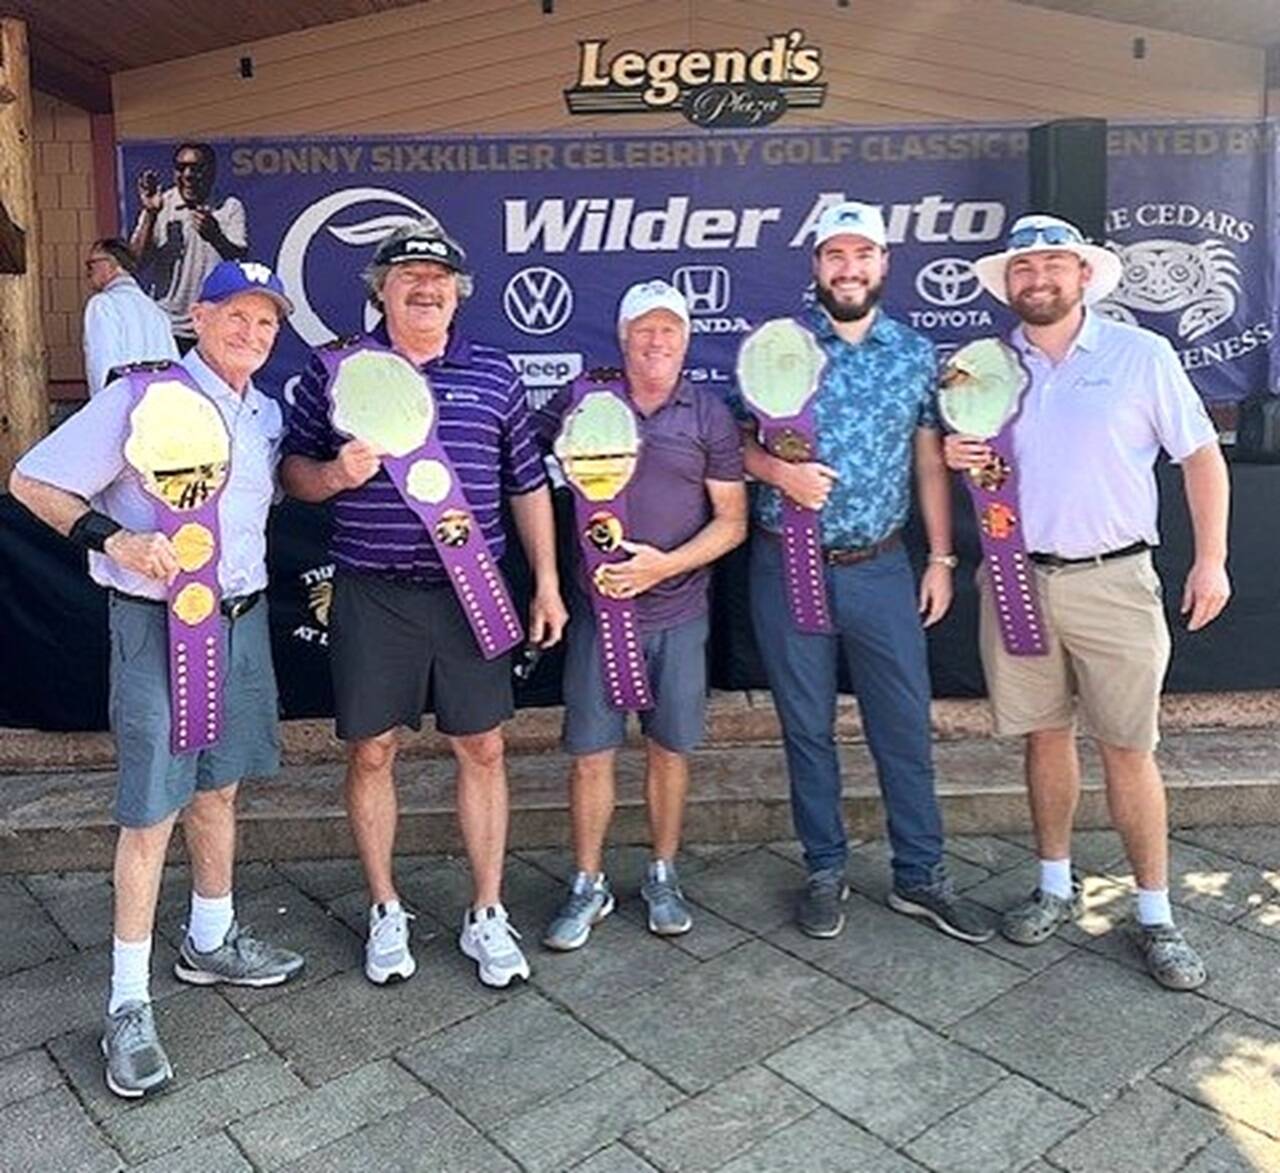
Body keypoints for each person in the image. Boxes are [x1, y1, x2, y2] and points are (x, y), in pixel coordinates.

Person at [9, 260, 304, 1098]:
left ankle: (210, 938)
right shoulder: (140, 397)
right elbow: (32, 479)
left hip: (239, 622)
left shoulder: (266, 415)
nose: (251, 334)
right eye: (237, 317)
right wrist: (115, 539)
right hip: (155, 624)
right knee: (151, 812)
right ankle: (128, 1001)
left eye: (266, 323)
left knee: (219, 792)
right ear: (200, 317)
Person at [946, 213, 1231, 990]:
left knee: (1128, 749)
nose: (1037, 279)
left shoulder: (1142, 355)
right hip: (1016, 576)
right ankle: (1052, 885)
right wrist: (953, 451)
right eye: (1023, 268)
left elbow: (1201, 457)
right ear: (1009, 283)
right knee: (1043, 737)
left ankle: (1154, 913)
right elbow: (969, 459)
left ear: (1082, 276)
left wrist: (1212, 560)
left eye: (1052, 266)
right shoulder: (979, 366)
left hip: (1115, 579)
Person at [281, 220, 568, 989]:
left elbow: (527, 484)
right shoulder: (335, 369)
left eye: (438, 276)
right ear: (381, 289)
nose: (425, 285)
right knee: (372, 750)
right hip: (373, 592)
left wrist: (546, 580)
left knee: (483, 747)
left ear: (457, 292)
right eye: (407, 273)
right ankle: (385, 907)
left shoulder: (496, 374)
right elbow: (293, 474)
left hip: (471, 589)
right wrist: (335, 475)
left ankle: (486, 911)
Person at [741, 200, 992, 943]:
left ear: (884, 264)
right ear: (816, 267)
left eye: (863, 256)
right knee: (806, 726)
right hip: (786, 562)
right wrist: (776, 476)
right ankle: (824, 868)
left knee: (902, 726)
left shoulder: (914, 354)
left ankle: (920, 873)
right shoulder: (776, 346)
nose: (849, 269)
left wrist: (942, 555)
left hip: (880, 565)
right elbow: (733, 444)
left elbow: (927, 458)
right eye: (834, 256)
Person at [539, 280, 747, 951]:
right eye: (644, 330)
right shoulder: (581, 400)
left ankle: (662, 871)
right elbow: (519, 463)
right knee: (591, 755)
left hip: (680, 611)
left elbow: (733, 522)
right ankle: (587, 880)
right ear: (623, 336)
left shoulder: (708, 413)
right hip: (600, 615)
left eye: (670, 330)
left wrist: (665, 564)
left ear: (685, 338)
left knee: (669, 749)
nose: (657, 342)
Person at [130, 142, 249, 352]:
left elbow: (240, 259)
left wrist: (215, 236)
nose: (188, 175)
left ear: (212, 171)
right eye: (181, 168)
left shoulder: (229, 206)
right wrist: (150, 213)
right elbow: (134, 264)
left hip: (213, 325)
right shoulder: (161, 204)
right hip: (168, 326)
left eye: (196, 168)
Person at [82, 238, 178, 397]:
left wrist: (102, 410)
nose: (88, 272)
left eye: (91, 264)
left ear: (110, 264)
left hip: (123, 405)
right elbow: (173, 364)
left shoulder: (103, 305)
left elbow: (102, 366)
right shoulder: (155, 309)